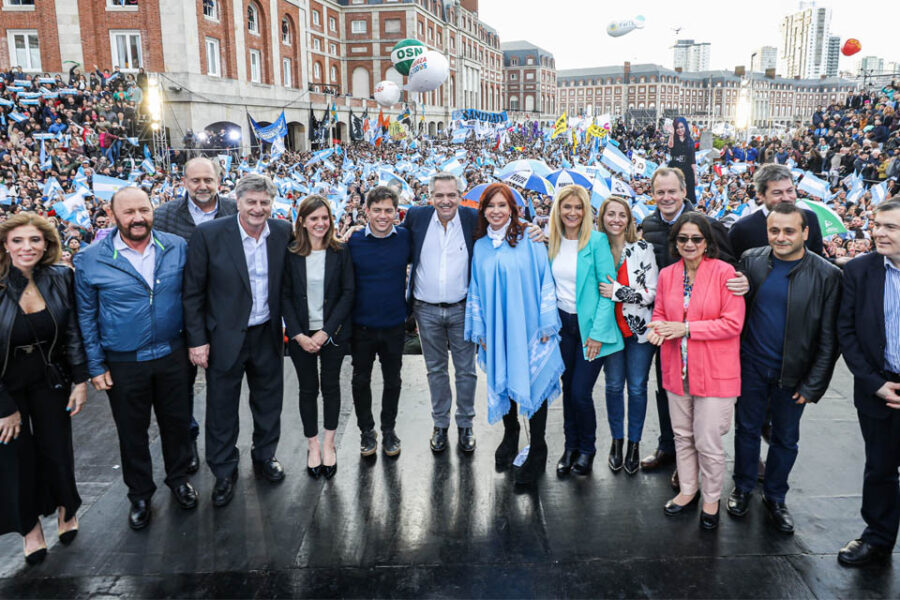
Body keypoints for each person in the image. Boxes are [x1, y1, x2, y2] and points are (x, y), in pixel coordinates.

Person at [74, 187, 196, 530]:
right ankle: (140, 494)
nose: (138, 218)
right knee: (132, 432)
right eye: (128, 212)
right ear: (112, 216)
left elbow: (191, 298)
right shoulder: (89, 258)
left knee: (177, 423)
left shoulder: (177, 246)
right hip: (123, 361)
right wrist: (95, 366)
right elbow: (85, 316)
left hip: (173, 354)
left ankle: (179, 480)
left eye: (144, 209)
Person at [725, 203, 842, 533]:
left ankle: (775, 497)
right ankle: (743, 487)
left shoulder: (828, 275)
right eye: (774, 230)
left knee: (785, 439)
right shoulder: (751, 260)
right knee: (746, 431)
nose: (781, 237)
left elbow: (830, 339)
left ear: (805, 233)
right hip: (751, 367)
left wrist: (812, 386)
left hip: (793, 375)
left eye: (789, 230)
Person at [183, 174, 292, 507]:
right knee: (221, 407)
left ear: (271, 204)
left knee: (269, 401)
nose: (258, 209)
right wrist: (198, 340)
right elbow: (192, 293)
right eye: (251, 202)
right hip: (224, 337)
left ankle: (265, 456)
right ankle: (224, 470)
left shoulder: (283, 232)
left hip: (266, 333)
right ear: (238, 201)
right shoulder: (209, 234)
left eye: (264, 202)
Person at [639, 168, 747, 488]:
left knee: (704, 405)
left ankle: (701, 467)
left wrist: (742, 281)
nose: (666, 197)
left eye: (672, 191)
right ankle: (670, 449)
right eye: (660, 192)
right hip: (664, 324)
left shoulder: (707, 226)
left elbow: (731, 266)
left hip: (702, 327)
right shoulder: (648, 225)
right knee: (668, 392)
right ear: (653, 194)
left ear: (684, 191)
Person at [0, 214, 88, 565]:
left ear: (47, 244)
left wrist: (80, 380)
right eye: (18, 240)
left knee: (57, 449)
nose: (27, 247)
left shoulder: (61, 277)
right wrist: (4, 406)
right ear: (5, 245)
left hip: (51, 378)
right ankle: (30, 529)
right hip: (7, 386)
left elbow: (72, 333)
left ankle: (67, 508)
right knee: (15, 457)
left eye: (34, 240)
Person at [464, 183, 565, 486]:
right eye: (490, 206)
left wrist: (548, 322)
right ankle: (510, 435)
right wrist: (480, 328)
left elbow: (545, 279)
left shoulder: (530, 238)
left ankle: (538, 446)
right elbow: (476, 289)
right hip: (497, 329)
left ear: (513, 209)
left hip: (530, 326)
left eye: (502, 206)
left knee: (534, 381)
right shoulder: (480, 245)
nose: (496, 211)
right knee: (505, 379)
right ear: (483, 211)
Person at [154, 156, 238, 473]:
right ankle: (187, 443)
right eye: (195, 180)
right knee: (180, 390)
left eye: (208, 179)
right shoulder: (163, 216)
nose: (202, 186)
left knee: (225, 387)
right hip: (181, 317)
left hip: (228, 317)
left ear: (219, 180)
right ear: (184, 182)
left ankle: (224, 448)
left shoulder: (235, 209)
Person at [837, 198, 900, 567]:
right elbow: (847, 331)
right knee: (880, 467)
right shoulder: (859, 271)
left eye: (890, 227)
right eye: (876, 224)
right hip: (877, 389)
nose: (877, 232)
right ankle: (877, 538)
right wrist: (875, 383)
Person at [547, 185, 622, 476]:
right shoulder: (551, 241)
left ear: (586, 211)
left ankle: (587, 448)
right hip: (562, 326)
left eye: (579, 208)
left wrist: (597, 334)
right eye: (567, 207)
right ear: (559, 209)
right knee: (568, 390)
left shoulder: (597, 241)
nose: (573, 213)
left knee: (580, 392)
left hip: (590, 329)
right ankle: (570, 447)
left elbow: (607, 290)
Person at [404, 173, 479, 453]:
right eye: (439, 195)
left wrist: (532, 230)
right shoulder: (417, 217)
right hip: (426, 310)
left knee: (466, 371)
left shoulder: (472, 219)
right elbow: (394, 239)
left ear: (460, 196)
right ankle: (440, 424)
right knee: (435, 370)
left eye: (451, 195)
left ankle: (466, 424)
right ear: (430, 197)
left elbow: (504, 227)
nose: (445, 201)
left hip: (462, 308)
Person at [282, 195, 354, 480]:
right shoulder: (290, 253)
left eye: (325, 218)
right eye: (314, 218)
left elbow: (348, 293)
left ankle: (328, 443)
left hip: (332, 333)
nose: (320, 223)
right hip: (301, 334)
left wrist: (326, 332)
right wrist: (299, 334)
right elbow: (285, 294)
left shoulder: (341, 251)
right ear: (302, 221)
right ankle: (312, 445)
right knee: (308, 389)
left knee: (331, 386)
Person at [346, 186, 411, 458]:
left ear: (396, 213)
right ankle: (366, 432)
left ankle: (389, 430)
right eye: (377, 210)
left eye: (388, 210)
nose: (383, 216)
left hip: (395, 324)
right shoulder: (353, 241)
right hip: (361, 326)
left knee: (393, 381)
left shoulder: (406, 238)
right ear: (366, 211)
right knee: (360, 380)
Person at [597, 196, 659, 475]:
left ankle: (634, 444)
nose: (616, 220)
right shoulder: (596, 246)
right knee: (612, 387)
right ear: (602, 217)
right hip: (609, 331)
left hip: (638, 332)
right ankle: (616, 441)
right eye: (611, 214)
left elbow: (651, 294)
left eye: (622, 215)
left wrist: (619, 293)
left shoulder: (642, 248)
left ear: (630, 219)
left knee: (636, 388)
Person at [728, 164, 824, 259]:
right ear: (761, 195)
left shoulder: (810, 219)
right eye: (777, 193)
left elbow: (818, 261)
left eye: (790, 191)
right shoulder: (742, 229)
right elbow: (730, 266)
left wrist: (837, 261)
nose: (786, 198)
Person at [667, 118, 697, 203]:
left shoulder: (690, 141)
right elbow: (670, 146)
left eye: (681, 127)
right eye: (677, 128)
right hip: (674, 167)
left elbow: (693, 160)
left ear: (685, 127)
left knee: (688, 194)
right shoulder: (673, 138)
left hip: (687, 169)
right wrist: (671, 134)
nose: (680, 130)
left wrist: (695, 175)